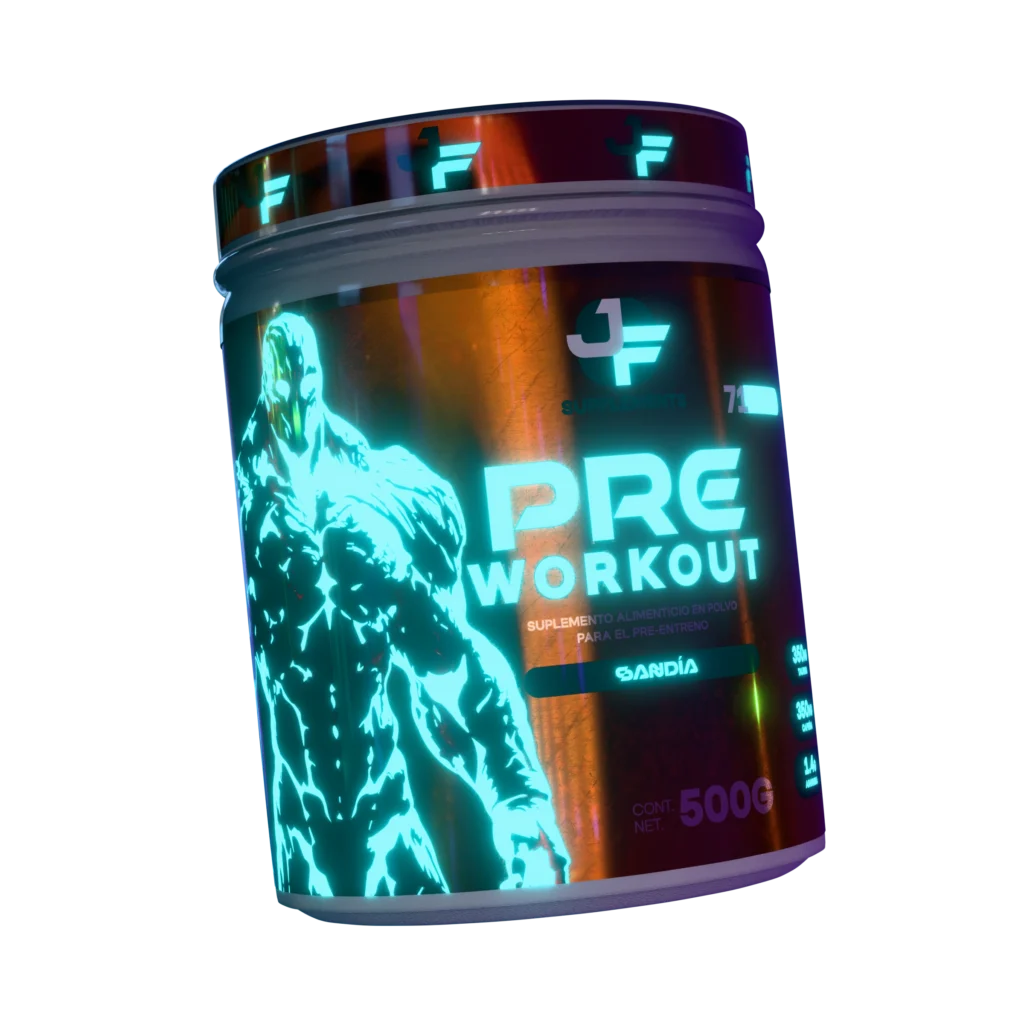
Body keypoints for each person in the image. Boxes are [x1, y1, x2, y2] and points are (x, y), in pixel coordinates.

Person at [236, 312, 571, 898]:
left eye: (306, 378)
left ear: (320, 378)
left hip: (389, 837)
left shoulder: (389, 497)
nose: (295, 395)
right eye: (282, 381)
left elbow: (450, 662)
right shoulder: (247, 501)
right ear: (267, 383)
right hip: (297, 843)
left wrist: (520, 807)